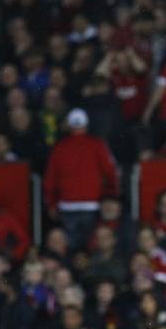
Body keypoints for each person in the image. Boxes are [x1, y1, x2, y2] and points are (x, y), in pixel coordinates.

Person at [43, 108, 118, 252]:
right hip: (92, 204)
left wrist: (52, 203)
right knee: (93, 245)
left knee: (70, 248)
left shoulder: (60, 147)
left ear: (69, 126)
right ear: (86, 125)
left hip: (67, 205)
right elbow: (111, 172)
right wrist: (110, 194)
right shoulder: (97, 145)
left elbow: (49, 180)